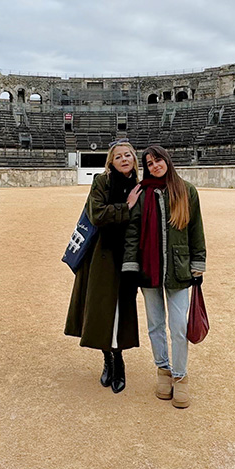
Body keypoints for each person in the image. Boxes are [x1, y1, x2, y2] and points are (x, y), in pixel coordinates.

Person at [123, 145, 206, 408]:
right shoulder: (142, 192)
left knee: (178, 326)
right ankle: (163, 370)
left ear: (167, 161)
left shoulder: (186, 190)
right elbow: (133, 232)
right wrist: (130, 265)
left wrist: (198, 263)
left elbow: (196, 228)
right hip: (148, 268)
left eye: (158, 160)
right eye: (149, 163)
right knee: (155, 324)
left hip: (178, 267)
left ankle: (180, 377)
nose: (154, 165)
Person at [65, 139, 143, 393]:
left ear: (134, 159)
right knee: (101, 308)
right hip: (101, 256)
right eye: (118, 156)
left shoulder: (141, 186)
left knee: (122, 309)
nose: (124, 159)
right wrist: (126, 206)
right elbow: (97, 214)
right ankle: (108, 359)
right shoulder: (101, 181)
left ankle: (119, 361)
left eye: (128, 155)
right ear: (111, 162)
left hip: (128, 255)